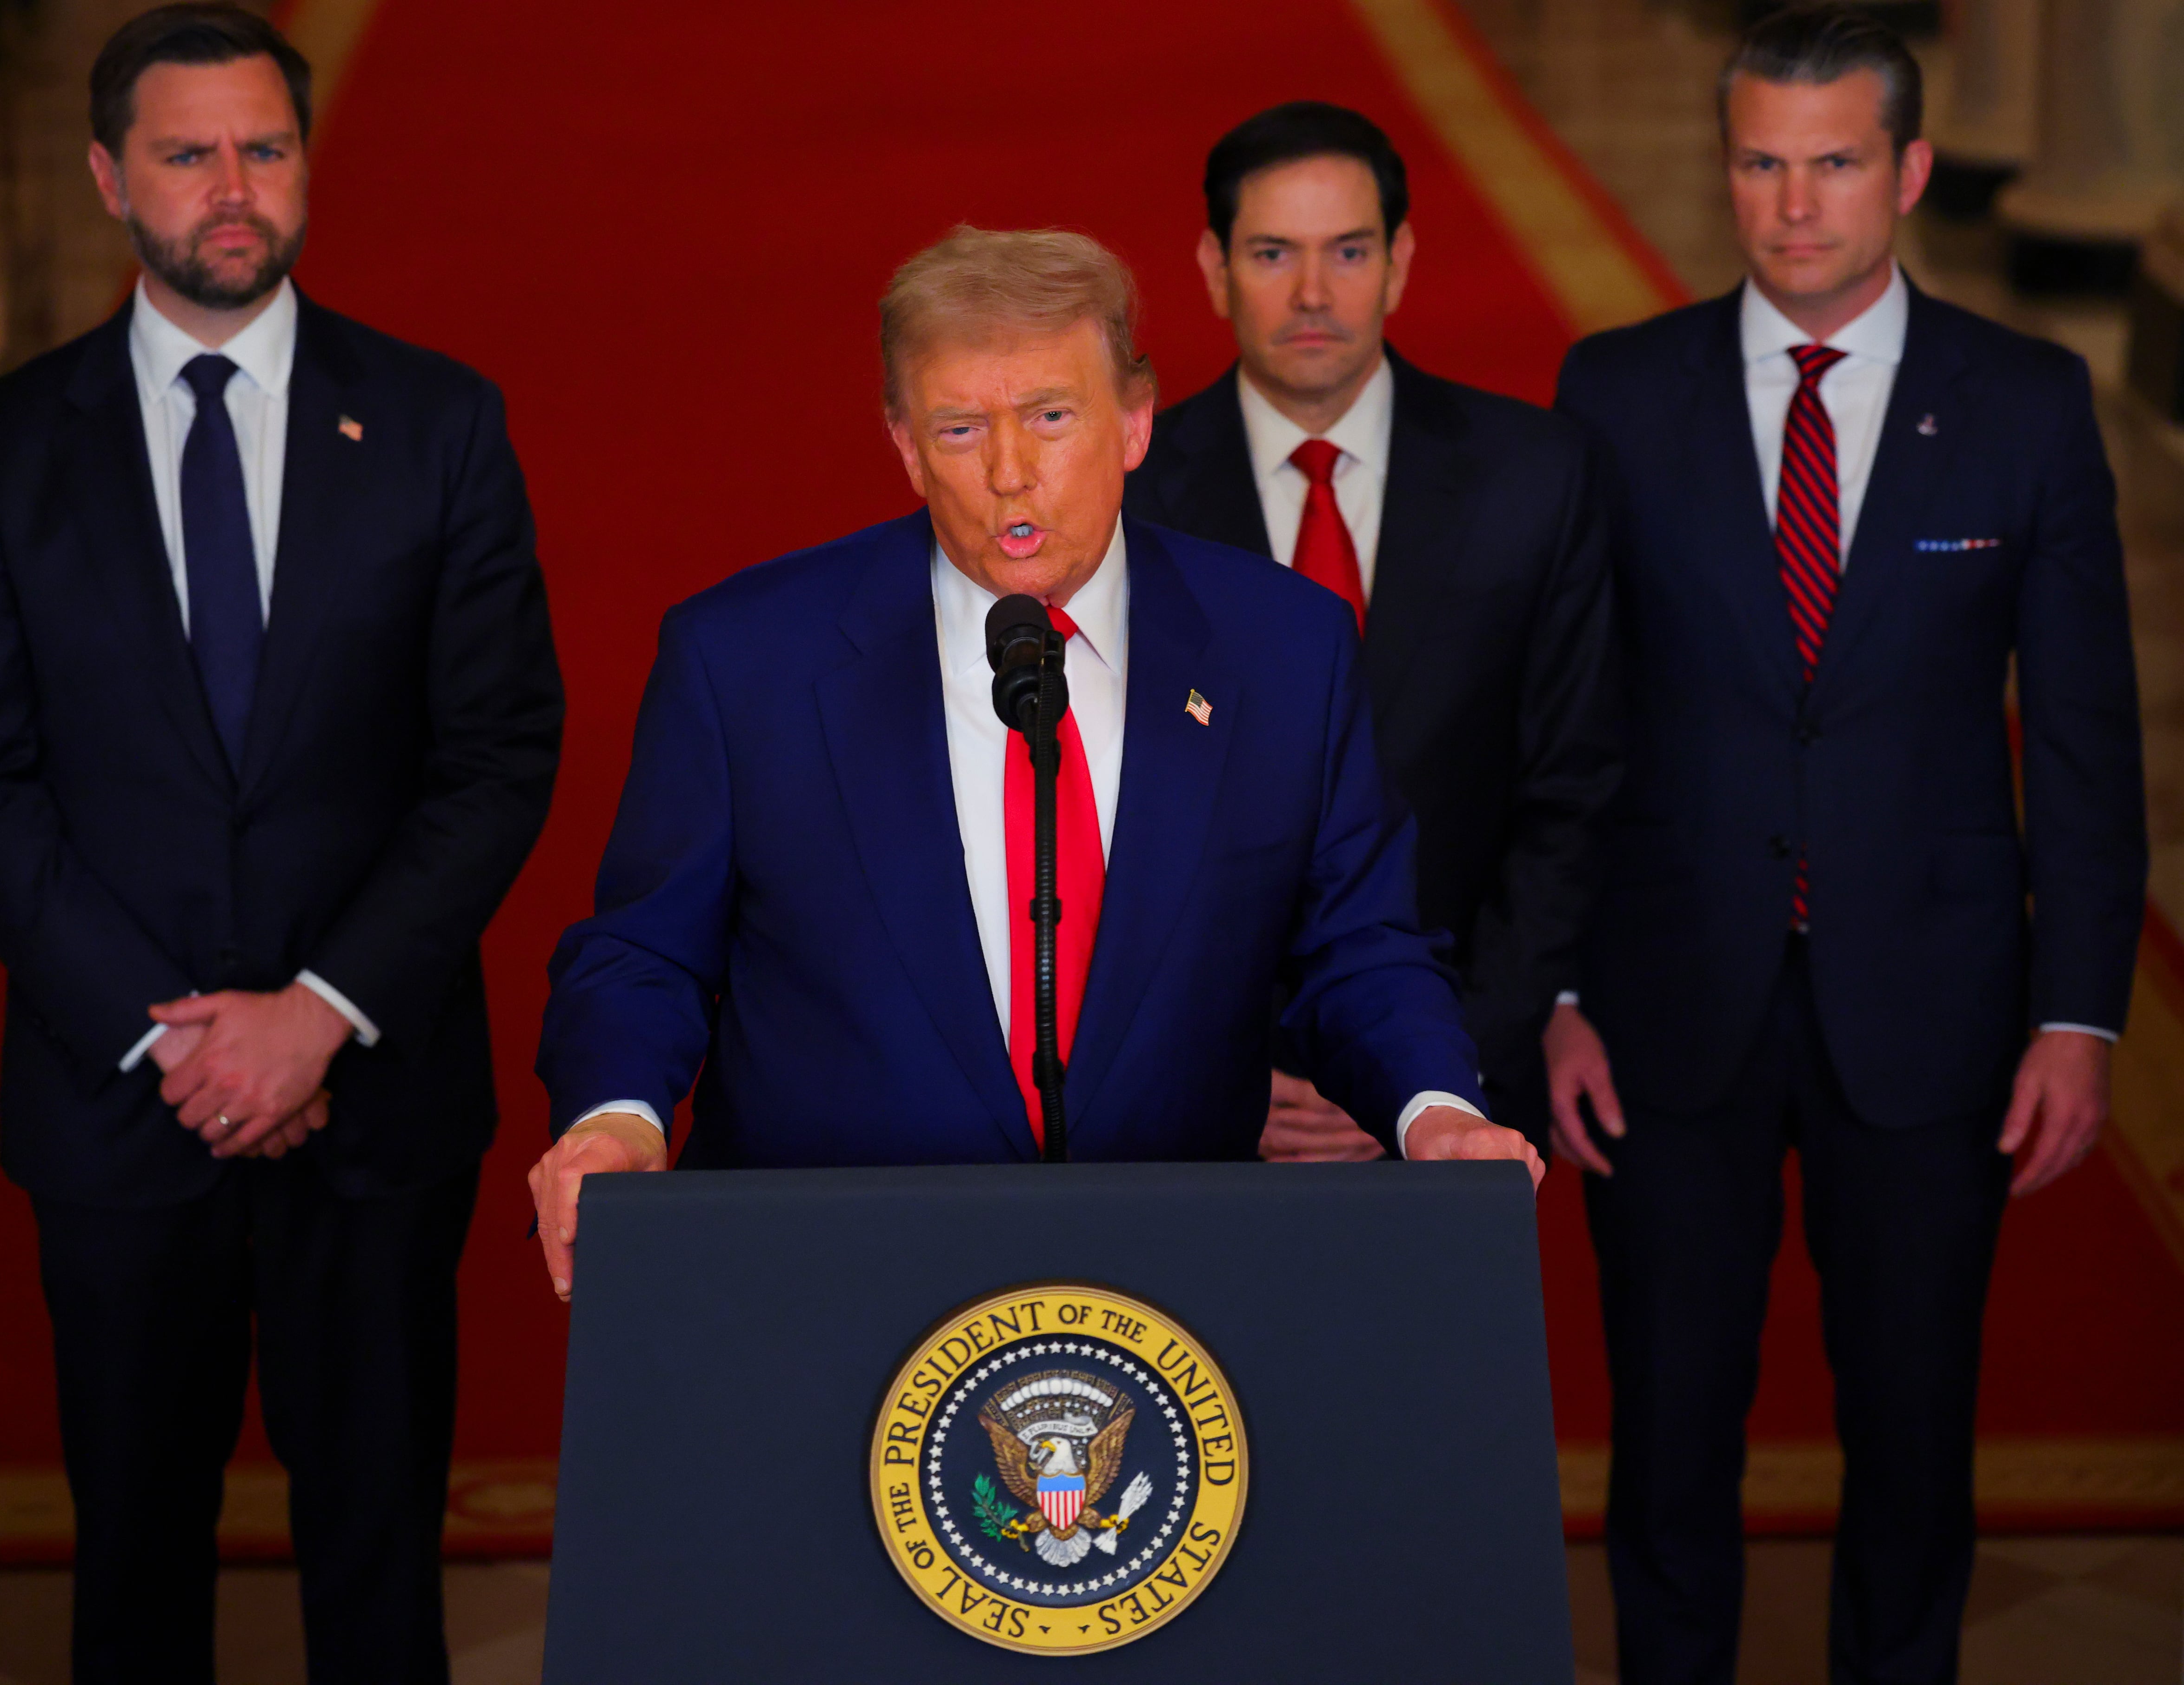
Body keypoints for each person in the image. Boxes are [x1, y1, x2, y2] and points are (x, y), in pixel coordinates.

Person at [0, 7, 563, 1680]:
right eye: (190, 153)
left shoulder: (439, 422)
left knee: (379, 1550)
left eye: (265, 148)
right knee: (133, 1553)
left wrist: (318, 1010)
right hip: (119, 1101)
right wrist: (177, 1037)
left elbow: (496, 757)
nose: (232, 188)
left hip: (377, 1096)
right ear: (109, 177)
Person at [528, 226, 1539, 1297]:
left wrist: (1439, 1114)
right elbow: (645, 953)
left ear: (1136, 422)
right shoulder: (746, 658)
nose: (1009, 474)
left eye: (1052, 417)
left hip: (1168, 1287)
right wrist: (615, 1120)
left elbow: (1361, 948)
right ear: (907, 446)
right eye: (960, 428)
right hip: (826, 1286)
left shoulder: (1282, 649)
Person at [1548, 9, 2146, 1683]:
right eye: (1760, 161)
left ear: (1909, 172)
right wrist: (1565, 986)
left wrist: (2082, 1015)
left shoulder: (2025, 405)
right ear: (1725, 168)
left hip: (1936, 1008)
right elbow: (1568, 721)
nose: (1793, 204)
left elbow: (2089, 742)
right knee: (1669, 1441)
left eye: (1831, 163)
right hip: (1670, 1007)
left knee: (1912, 1438)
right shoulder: (1616, 388)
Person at [1125, 102, 1617, 1163]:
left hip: (1457, 1095)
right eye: (1272, 254)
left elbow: (1571, 795)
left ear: (1398, 264)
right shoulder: (1129, 500)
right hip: (1197, 1106)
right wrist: (1224, 1076)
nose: (1313, 294)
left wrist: (1424, 1079)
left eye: (1347, 251)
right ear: (1213, 268)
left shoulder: (1534, 476)